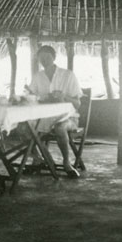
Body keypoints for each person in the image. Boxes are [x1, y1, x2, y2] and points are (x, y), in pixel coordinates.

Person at [27, 45, 83, 178]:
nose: (44, 60)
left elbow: (78, 104)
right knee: (24, 128)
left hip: (69, 117)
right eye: (41, 58)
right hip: (44, 117)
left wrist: (64, 97)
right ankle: (39, 158)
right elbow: (31, 97)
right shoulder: (38, 77)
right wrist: (36, 98)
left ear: (54, 57)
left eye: (47, 57)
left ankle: (66, 163)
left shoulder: (67, 75)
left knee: (59, 128)